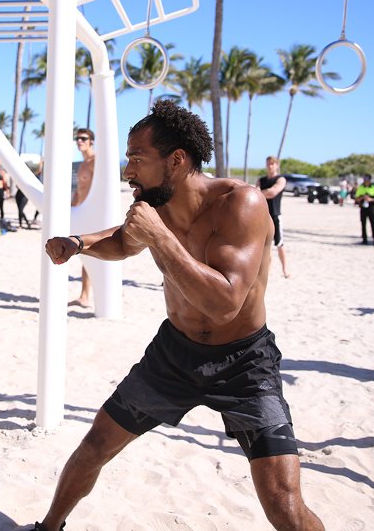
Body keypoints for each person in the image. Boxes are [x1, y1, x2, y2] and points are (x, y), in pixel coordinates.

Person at [36, 100, 324, 531]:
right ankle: (48, 527)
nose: (127, 170)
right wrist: (80, 243)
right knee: (95, 445)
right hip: (173, 355)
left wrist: (160, 238)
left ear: (176, 160)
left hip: (245, 363)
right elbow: (125, 240)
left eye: (137, 158)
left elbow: (225, 302)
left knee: (282, 501)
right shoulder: (159, 201)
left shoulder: (240, 204)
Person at [70, 128, 96, 308]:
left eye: (83, 138)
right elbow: (80, 190)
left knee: (89, 252)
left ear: (91, 141)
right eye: (77, 138)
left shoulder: (95, 162)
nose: (79, 141)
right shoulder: (82, 164)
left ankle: (86, 296)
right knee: (84, 252)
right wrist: (71, 208)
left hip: (92, 213)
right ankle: (84, 295)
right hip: (80, 211)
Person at [257, 156, 289, 278]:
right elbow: (257, 191)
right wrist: (262, 192)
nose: (270, 166)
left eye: (272, 164)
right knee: (265, 245)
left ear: (277, 165)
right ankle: (267, 270)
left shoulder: (281, 179)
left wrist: (260, 193)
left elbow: (272, 192)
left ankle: (285, 269)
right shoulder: (261, 180)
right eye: (268, 164)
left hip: (275, 216)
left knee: (279, 244)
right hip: (263, 216)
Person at [353, 174, 374, 246]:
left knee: (373, 223)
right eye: (365, 180)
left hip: (371, 208)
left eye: (367, 180)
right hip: (363, 207)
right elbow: (356, 198)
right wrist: (362, 198)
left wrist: (371, 199)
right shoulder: (361, 188)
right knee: (363, 223)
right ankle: (364, 239)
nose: (366, 181)